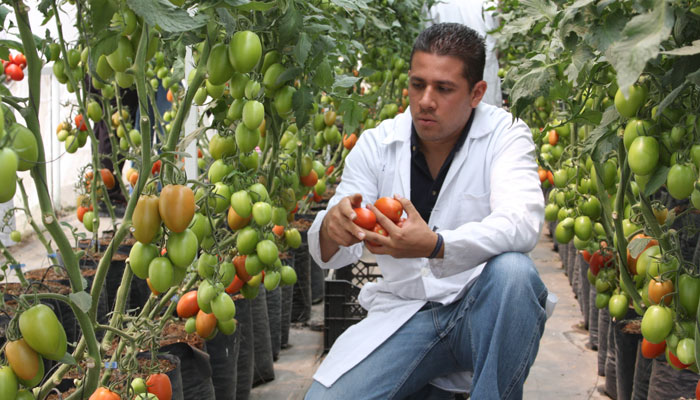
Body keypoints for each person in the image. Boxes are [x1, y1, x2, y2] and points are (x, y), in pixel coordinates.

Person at [305, 23, 552, 399]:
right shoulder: (378, 144)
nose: (425, 100)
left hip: (479, 311)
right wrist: (333, 227)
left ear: (476, 93)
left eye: (444, 88)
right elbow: (334, 242)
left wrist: (436, 245)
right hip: (405, 316)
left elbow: (521, 223)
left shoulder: (505, 135)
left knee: (515, 274)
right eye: (418, 84)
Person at [426, 0, 503, 107]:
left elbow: (427, 46)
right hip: (484, 74)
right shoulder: (491, 2)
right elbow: (499, 41)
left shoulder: (433, 3)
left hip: (449, 75)